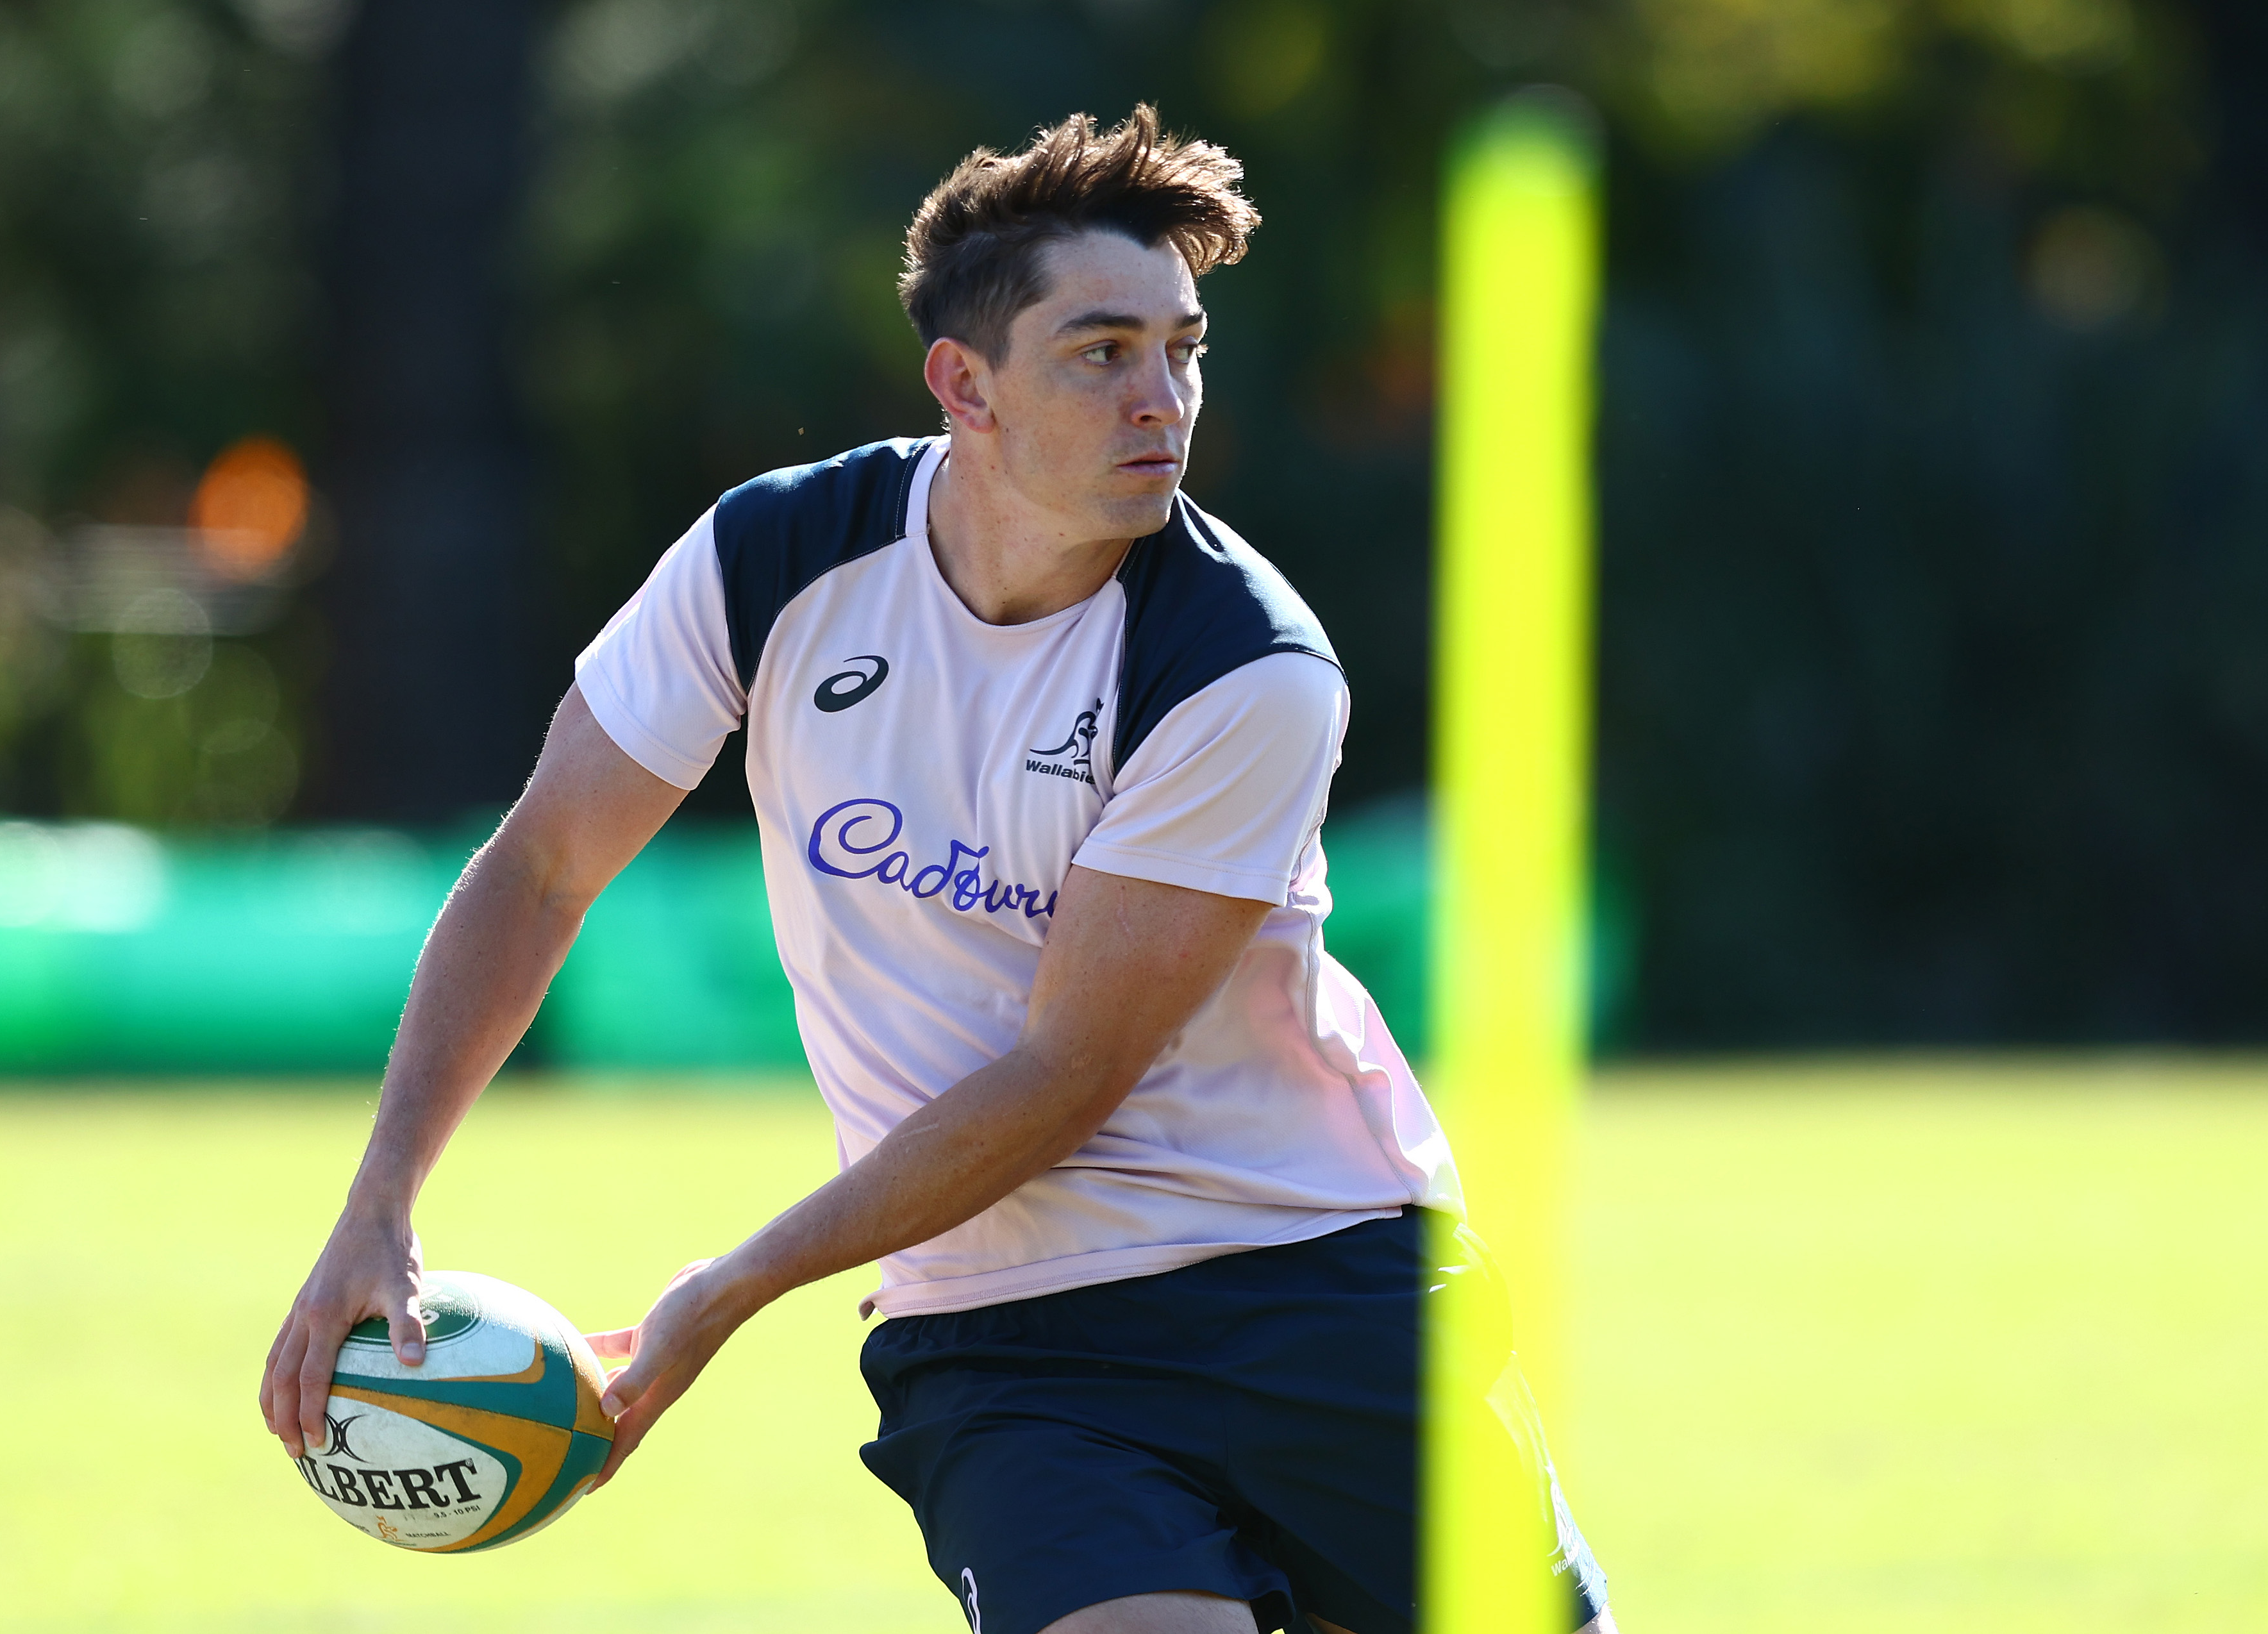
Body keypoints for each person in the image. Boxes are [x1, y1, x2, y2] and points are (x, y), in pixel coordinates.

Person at [260, 105, 1615, 1634]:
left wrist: (731, 1284)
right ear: (963, 385)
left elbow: (1063, 1073)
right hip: (1009, 1340)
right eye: (1100, 351)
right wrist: (380, 1200)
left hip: (1309, 1289)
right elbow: (543, 866)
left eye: (1182, 348)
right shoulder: (770, 561)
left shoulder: (1242, 666)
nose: (1158, 396)